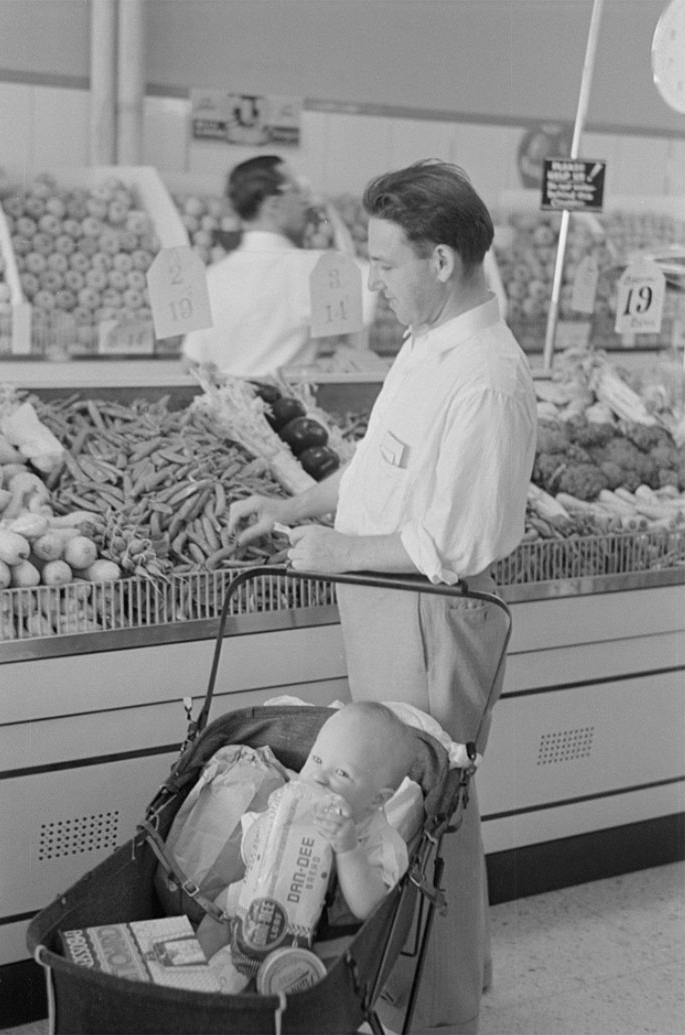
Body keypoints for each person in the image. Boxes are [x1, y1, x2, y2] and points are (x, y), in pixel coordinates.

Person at [228, 159, 538, 1033]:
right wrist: (294, 506)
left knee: (427, 808)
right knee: (403, 803)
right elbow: (377, 470)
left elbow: (450, 543)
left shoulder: (486, 376)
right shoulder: (427, 344)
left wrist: (334, 549)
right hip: (384, 604)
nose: (373, 281)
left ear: (441, 261)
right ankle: (438, 973)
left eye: (386, 262)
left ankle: (436, 1012)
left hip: (433, 616)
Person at [196, 702, 413, 960]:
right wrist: (274, 822)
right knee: (219, 910)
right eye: (317, 759)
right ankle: (199, 971)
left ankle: (261, 989)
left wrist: (348, 848)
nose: (319, 777)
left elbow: (369, 907)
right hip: (263, 902)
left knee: (325, 961)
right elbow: (250, 854)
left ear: (376, 800)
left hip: (319, 935)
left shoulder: (381, 843)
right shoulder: (293, 807)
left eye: (342, 773)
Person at [182, 154, 375, 376]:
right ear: (274, 204)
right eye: (297, 189)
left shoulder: (212, 276)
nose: (305, 200)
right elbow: (372, 280)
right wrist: (329, 214)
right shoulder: (309, 269)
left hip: (230, 406)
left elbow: (191, 362)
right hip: (290, 407)